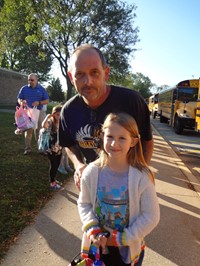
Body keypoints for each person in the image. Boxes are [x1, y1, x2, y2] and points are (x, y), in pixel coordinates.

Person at [59, 44, 154, 190]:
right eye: (80, 74)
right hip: (94, 183)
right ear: (71, 77)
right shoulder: (68, 111)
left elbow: (147, 141)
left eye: (94, 72)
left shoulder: (132, 101)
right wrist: (78, 164)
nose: (88, 81)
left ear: (106, 73)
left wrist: (140, 174)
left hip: (130, 183)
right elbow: (68, 144)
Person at [77, 112, 160, 266]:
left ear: (133, 141)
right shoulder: (91, 172)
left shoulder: (142, 177)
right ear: (102, 136)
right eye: (110, 137)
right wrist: (93, 230)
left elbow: (151, 216)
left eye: (122, 138)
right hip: (97, 249)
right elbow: (84, 204)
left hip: (129, 251)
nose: (115, 144)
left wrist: (122, 238)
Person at [17, 73, 49, 155]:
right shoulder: (24, 88)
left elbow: (46, 101)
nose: (30, 81)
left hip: (39, 111)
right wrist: (21, 101)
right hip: (27, 112)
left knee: (39, 130)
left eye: (32, 80)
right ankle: (28, 149)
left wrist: (39, 102)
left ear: (36, 80)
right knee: (28, 130)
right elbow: (19, 99)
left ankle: (41, 149)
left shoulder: (42, 89)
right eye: (29, 80)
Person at [41, 105, 63, 190]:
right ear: (54, 114)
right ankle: (52, 183)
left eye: (61, 114)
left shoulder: (62, 122)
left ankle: (53, 179)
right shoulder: (51, 122)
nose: (59, 116)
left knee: (57, 165)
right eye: (57, 114)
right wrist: (47, 117)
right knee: (53, 164)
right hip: (50, 148)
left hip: (59, 148)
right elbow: (43, 125)